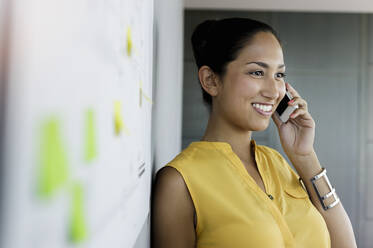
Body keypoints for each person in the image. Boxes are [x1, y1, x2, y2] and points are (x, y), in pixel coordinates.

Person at [151, 18, 357, 248]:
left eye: (279, 75)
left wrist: (305, 157)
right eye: (257, 72)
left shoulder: (277, 162)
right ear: (210, 80)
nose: (274, 92)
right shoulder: (179, 181)